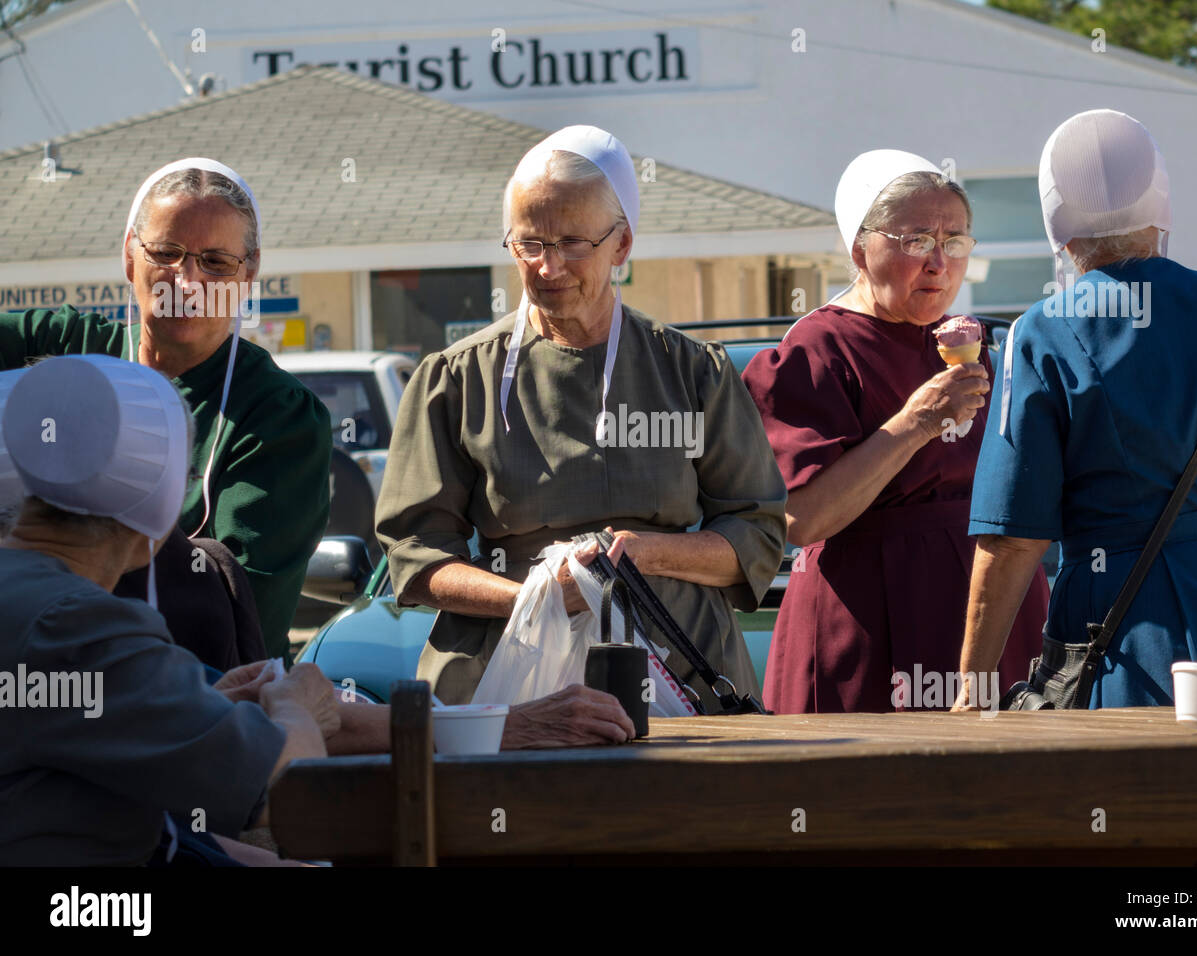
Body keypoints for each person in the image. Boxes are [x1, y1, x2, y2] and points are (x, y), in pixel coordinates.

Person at [0, 357, 636, 866]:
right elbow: (283, 783)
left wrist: (210, 704)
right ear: (161, 511)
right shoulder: (78, 623)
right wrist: (293, 708)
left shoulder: (38, 602)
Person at [376, 125, 787, 709]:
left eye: (573, 243)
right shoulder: (459, 378)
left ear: (621, 244)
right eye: (530, 244)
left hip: (679, 660)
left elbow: (758, 533)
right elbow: (416, 557)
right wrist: (540, 596)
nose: (548, 267)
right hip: (508, 667)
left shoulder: (692, 372)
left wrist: (646, 554)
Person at [954, 109, 1197, 709]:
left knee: (1144, 797)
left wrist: (971, 693)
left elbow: (1012, 543)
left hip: (1138, 633)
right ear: (1162, 212)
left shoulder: (1041, 334)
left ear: (1057, 233)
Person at [742, 149, 1048, 713]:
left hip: (992, 611)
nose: (938, 262)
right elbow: (802, 519)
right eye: (915, 240)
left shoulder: (977, 341)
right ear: (860, 249)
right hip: (875, 611)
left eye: (954, 240)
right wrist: (915, 423)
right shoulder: (816, 350)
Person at [0, 158, 331, 662]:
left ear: (250, 271)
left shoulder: (278, 417)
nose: (186, 280)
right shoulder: (67, 347)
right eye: (166, 253)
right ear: (130, 255)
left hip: (202, 693)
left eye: (216, 261)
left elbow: (240, 612)